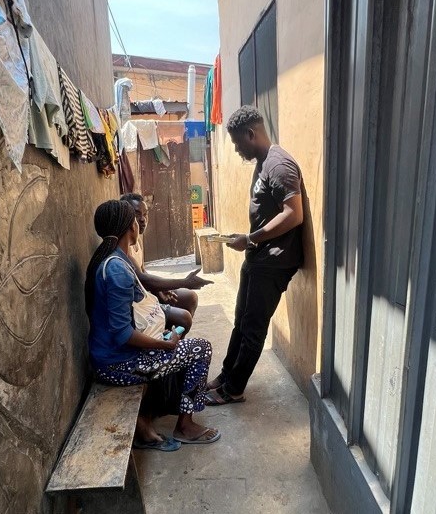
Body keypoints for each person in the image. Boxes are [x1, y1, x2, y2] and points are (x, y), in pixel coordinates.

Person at [85, 199, 221, 449]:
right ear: (130, 227)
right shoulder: (116, 270)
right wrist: (163, 344)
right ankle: (185, 426)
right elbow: (122, 334)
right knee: (201, 349)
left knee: (183, 339)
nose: (140, 223)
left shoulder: (118, 259)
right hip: (117, 364)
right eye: (137, 219)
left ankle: (164, 414)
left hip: (116, 357)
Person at [204, 106, 304, 406]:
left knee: (253, 328)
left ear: (251, 133)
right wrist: (249, 241)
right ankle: (226, 375)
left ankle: (233, 389)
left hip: (274, 261)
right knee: (241, 321)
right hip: (258, 257)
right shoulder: (262, 163)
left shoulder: (280, 164)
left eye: (237, 143)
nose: (236, 149)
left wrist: (251, 238)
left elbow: (294, 214)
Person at [120, 192, 212, 334]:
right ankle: (166, 345)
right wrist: (183, 282)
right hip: (138, 301)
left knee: (190, 297)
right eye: (137, 214)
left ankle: (168, 339)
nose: (143, 219)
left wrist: (162, 290)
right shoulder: (124, 247)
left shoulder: (136, 240)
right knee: (183, 318)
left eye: (145, 214)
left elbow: (143, 271)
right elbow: (142, 280)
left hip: (146, 293)